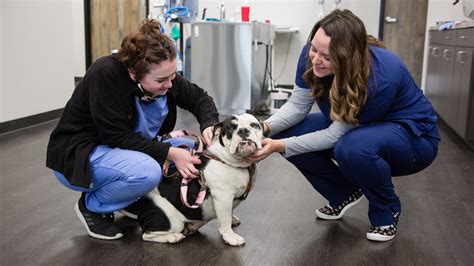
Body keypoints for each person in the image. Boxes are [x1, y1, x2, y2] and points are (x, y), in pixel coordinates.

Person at [249, 9, 440, 242]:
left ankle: (386, 211)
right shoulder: (313, 54)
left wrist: (278, 145)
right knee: (289, 131)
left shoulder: (380, 76)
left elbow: (335, 135)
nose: (316, 59)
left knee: (352, 148)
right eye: (314, 49)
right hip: (359, 128)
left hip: (413, 139)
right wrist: (263, 127)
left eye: (327, 57)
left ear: (347, 58)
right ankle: (342, 192)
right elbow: (298, 106)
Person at [46, 19, 219, 240]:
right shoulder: (105, 73)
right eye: (161, 80)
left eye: (173, 76)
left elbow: (198, 98)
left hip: (121, 148)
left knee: (190, 146)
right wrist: (169, 153)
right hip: (81, 153)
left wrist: (210, 125)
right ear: (132, 74)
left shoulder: (163, 75)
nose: (170, 84)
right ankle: (92, 206)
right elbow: (116, 136)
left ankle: (129, 199)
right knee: (147, 172)